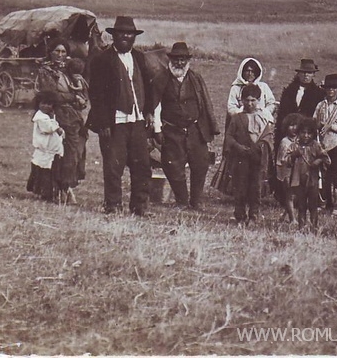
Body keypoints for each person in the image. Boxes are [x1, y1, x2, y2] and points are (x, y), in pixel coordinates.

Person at [86, 16, 155, 217]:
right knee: (113, 166)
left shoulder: (139, 58)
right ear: (114, 36)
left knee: (142, 165)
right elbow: (96, 94)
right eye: (121, 33)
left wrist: (148, 111)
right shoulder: (102, 59)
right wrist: (103, 123)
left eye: (129, 34)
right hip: (114, 122)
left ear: (134, 37)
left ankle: (140, 206)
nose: (125, 37)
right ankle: (113, 205)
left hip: (137, 120)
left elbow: (148, 86)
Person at [151, 42, 220, 210]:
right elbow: (155, 106)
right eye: (176, 59)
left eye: (183, 59)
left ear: (187, 61)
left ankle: (196, 201)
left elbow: (205, 104)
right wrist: (157, 129)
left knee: (200, 164)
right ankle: (181, 200)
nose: (179, 63)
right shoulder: (161, 79)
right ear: (170, 60)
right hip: (172, 130)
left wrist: (207, 128)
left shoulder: (196, 78)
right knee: (173, 166)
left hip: (195, 129)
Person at [35, 38, 84, 205]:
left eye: (63, 51)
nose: (60, 54)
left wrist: (80, 98)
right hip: (54, 116)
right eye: (57, 51)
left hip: (72, 116)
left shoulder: (69, 70)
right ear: (50, 52)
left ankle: (66, 188)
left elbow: (81, 89)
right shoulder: (45, 71)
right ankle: (55, 190)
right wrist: (73, 97)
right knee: (55, 154)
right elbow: (51, 95)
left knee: (72, 153)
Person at [216, 84, 274, 223]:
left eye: (253, 100)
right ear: (241, 101)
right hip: (241, 157)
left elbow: (268, 136)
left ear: (258, 100)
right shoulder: (237, 118)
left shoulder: (264, 118)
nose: (249, 104)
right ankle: (240, 214)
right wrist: (238, 147)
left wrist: (260, 146)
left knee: (255, 187)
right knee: (240, 186)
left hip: (257, 158)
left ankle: (254, 214)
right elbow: (229, 136)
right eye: (246, 100)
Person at [273, 58, 325, 203]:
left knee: (305, 165)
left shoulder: (318, 93)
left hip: (306, 134)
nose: (306, 76)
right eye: (303, 73)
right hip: (289, 132)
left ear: (313, 75)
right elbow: (282, 114)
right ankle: (285, 196)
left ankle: (305, 196)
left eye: (309, 73)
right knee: (288, 163)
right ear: (299, 74)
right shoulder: (289, 91)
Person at [313, 74, 337, 213]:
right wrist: (319, 125)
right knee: (324, 174)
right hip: (323, 144)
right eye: (328, 88)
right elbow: (314, 121)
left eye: (334, 88)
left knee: (336, 173)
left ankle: (336, 204)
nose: (331, 91)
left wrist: (331, 126)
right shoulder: (320, 105)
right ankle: (325, 202)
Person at [289, 117, 331, 231]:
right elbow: (286, 162)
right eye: (303, 132)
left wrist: (318, 161)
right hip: (299, 180)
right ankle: (301, 227)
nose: (306, 135)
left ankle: (314, 227)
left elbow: (327, 159)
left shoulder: (316, 145)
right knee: (301, 205)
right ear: (299, 132)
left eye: (309, 133)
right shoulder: (294, 145)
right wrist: (294, 155)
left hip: (313, 180)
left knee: (313, 205)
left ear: (313, 134)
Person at [26, 92, 64, 203]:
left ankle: (50, 193)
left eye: (49, 104)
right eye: (43, 103)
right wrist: (57, 128)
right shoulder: (40, 117)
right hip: (44, 150)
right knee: (44, 172)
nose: (45, 106)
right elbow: (48, 128)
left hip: (51, 150)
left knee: (50, 172)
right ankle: (44, 193)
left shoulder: (50, 116)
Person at [226, 57, 276, 122]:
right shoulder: (236, 88)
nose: (250, 74)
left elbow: (271, 103)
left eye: (252, 71)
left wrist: (264, 113)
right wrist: (242, 114)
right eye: (247, 71)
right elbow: (231, 107)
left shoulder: (263, 87)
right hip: (241, 120)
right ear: (242, 72)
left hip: (262, 119)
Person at [66, 56, 90, 183]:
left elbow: (79, 88)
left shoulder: (77, 79)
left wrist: (72, 89)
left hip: (78, 108)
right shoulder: (80, 77)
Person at [275, 113, 302, 223]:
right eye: (291, 125)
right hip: (287, 170)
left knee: (297, 195)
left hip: (299, 171)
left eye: (296, 125)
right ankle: (292, 219)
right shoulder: (285, 142)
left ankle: (285, 214)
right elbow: (282, 160)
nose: (294, 128)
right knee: (289, 194)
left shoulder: (302, 140)